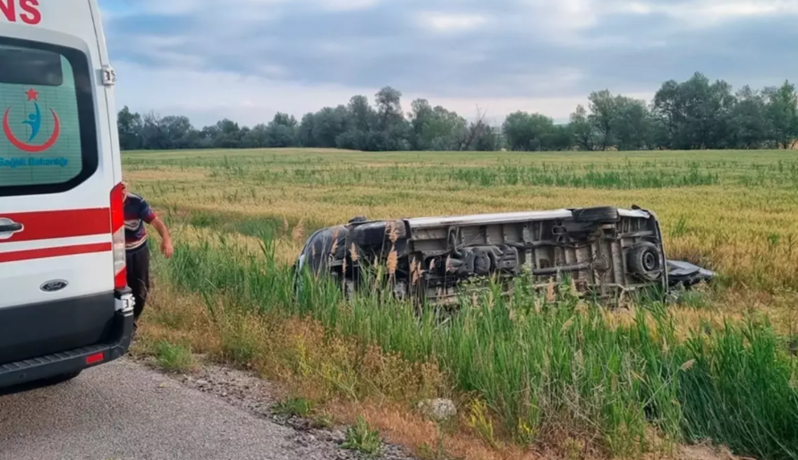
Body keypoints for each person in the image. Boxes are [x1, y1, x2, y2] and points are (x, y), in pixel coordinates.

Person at [122, 180, 173, 330]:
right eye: (116, 188)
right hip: (115, 253)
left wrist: (166, 240)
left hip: (137, 250)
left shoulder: (137, 202)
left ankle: (132, 324)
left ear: (127, 186)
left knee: (140, 289)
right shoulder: (105, 202)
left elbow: (156, 222)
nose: (120, 192)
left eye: (123, 187)